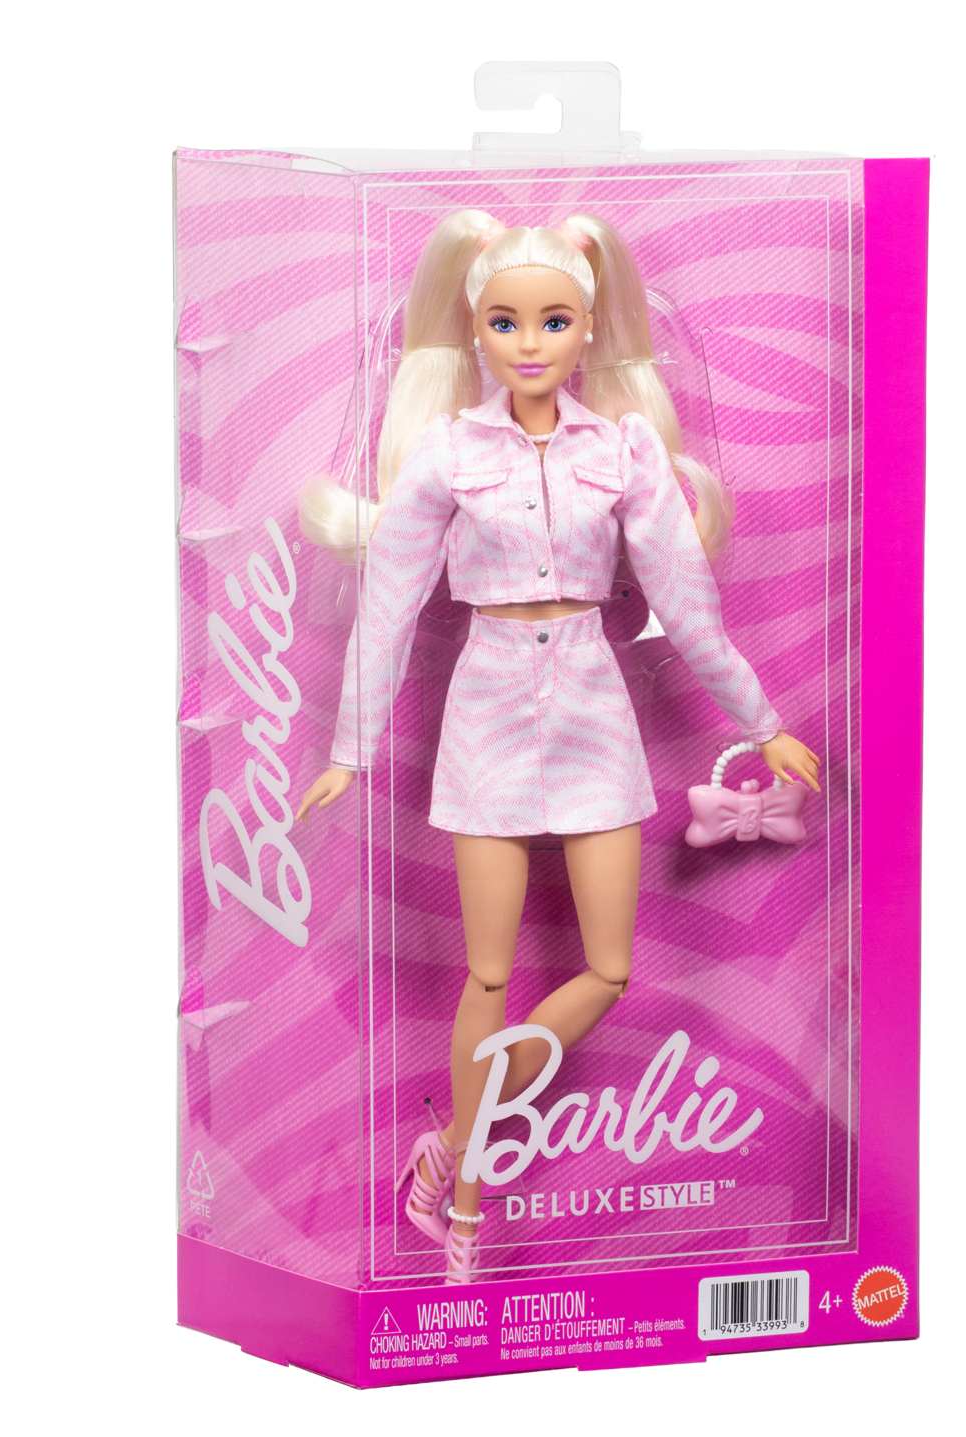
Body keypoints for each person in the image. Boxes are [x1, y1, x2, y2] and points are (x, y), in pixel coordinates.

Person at [295, 211, 820, 1283]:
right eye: (504, 321)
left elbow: (691, 610)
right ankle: (467, 1202)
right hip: (485, 711)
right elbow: (386, 611)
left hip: (591, 705)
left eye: (552, 321)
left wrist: (766, 724)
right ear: (474, 331)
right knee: (486, 975)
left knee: (609, 970)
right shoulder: (446, 453)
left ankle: (455, 1140)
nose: (528, 342)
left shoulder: (622, 452)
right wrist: (348, 749)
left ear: (586, 329)